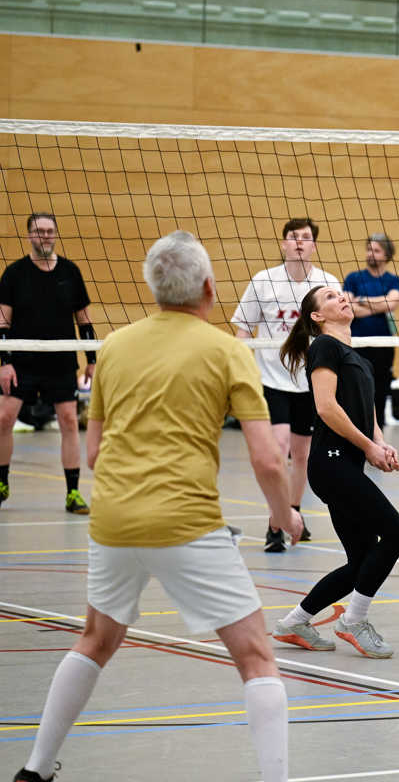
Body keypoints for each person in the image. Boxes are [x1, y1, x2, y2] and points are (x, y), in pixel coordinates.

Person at [12, 231, 302, 782]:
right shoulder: (228, 351)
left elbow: (93, 453)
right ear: (209, 288)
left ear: (154, 288)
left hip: (112, 520)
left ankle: (34, 769)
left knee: (96, 639)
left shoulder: (115, 346)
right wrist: (285, 515)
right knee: (256, 657)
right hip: (186, 523)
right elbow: (268, 459)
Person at [273, 286, 399, 659]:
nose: (342, 298)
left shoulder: (360, 359)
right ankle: (353, 621)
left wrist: (380, 443)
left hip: (345, 464)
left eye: (341, 294)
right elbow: (326, 407)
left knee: (361, 560)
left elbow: (368, 413)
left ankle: (293, 623)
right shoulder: (324, 346)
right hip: (330, 463)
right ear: (317, 316)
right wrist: (367, 447)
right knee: (396, 534)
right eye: (331, 297)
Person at [232, 217, 340, 551]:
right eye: (293, 237)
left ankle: (294, 511)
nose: (299, 242)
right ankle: (275, 523)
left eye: (305, 237)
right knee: (278, 448)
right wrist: (242, 371)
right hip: (270, 379)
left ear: (314, 246)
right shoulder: (263, 281)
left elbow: (338, 328)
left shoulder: (327, 283)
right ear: (284, 244)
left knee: (303, 454)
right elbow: (242, 329)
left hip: (310, 381)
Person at [0, 213, 96, 515]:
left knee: (69, 421)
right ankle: (1, 483)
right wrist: (5, 362)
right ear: (29, 235)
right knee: (4, 418)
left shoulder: (71, 272)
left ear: (55, 234)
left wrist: (92, 360)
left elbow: (84, 321)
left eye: (49, 230)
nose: (45, 235)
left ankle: (73, 493)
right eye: (39, 231)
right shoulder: (14, 273)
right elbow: (3, 322)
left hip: (61, 363)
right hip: (22, 362)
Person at [345, 233, 399, 430]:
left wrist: (361, 300)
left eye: (376, 250)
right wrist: (379, 305)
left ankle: (377, 434)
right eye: (369, 249)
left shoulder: (394, 280)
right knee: (355, 389)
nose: (371, 253)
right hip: (356, 343)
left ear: (386, 255)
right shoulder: (353, 278)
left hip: (383, 344)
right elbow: (348, 307)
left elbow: (391, 303)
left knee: (380, 389)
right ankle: (356, 434)